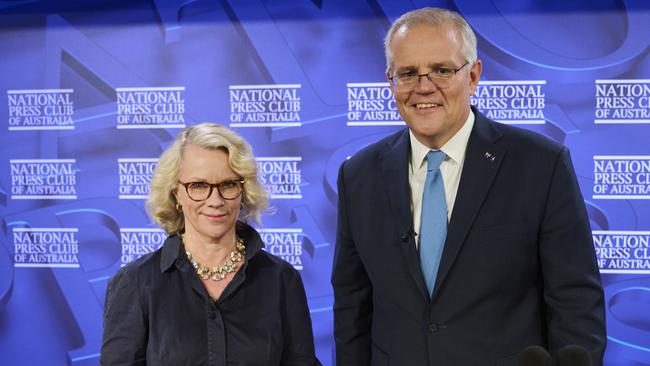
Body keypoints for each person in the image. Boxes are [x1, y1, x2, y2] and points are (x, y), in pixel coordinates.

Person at [332, 7, 606, 366]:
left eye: (442, 70)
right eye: (408, 73)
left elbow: (575, 304)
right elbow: (352, 307)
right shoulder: (359, 176)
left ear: (473, 75)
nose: (423, 87)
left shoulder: (540, 164)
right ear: (391, 81)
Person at [101, 123, 321, 366]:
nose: (215, 200)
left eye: (228, 184)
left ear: (243, 192)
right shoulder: (136, 282)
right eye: (198, 186)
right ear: (176, 194)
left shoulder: (280, 278)